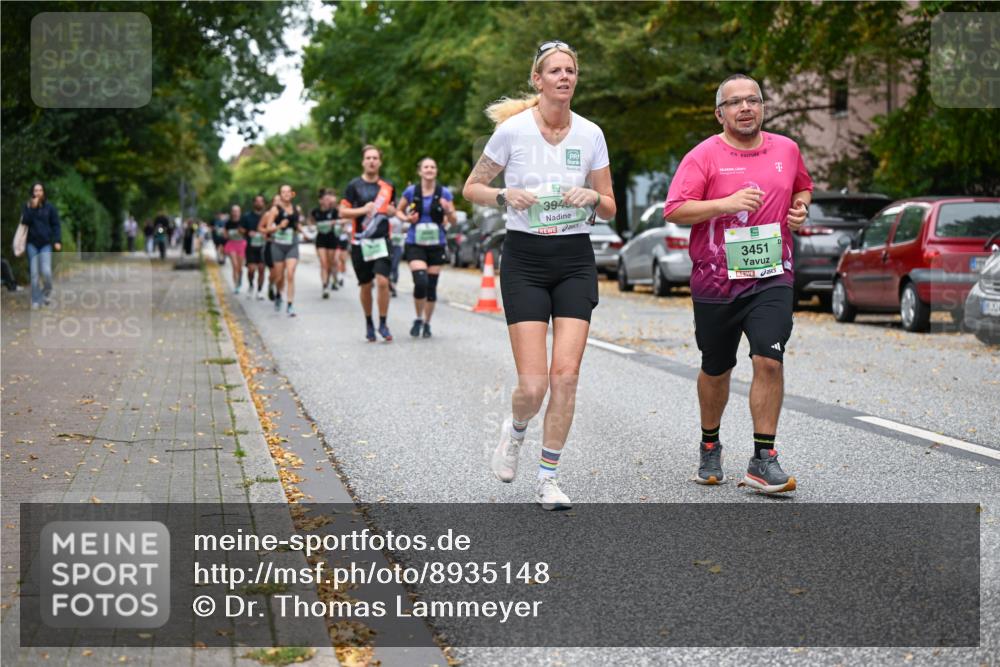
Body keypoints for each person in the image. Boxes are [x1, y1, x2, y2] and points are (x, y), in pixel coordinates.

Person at [462, 41, 615, 510]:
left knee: (565, 376)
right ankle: (516, 430)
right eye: (555, 71)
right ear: (537, 79)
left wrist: (592, 199)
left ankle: (548, 477)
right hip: (525, 259)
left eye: (571, 71)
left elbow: (610, 207)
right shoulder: (511, 133)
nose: (565, 78)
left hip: (574, 259)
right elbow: (472, 188)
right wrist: (505, 196)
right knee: (534, 385)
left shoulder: (591, 134)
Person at [663, 73, 813, 494]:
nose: (746, 108)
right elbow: (675, 210)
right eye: (735, 103)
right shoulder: (703, 156)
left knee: (769, 359)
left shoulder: (786, 149)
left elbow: (803, 188)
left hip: (772, 275)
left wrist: (800, 209)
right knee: (717, 367)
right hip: (716, 281)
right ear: (720, 113)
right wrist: (724, 205)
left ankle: (763, 458)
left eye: (753, 100)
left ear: (763, 107)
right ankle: (710, 444)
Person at [340, 145, 397, 342]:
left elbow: (392, 209)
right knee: (365, 285)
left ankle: (383, 322)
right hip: (360, 242)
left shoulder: (388, 186)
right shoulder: (353, 185)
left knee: (382, 282)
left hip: (382, 241)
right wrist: (362, 210)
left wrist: (392, 211)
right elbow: (343, 212)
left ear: (380, 162)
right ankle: (369, 323)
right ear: (363, 162)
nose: (372, 161)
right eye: (368, 158)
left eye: (375, 158)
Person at [396, 157, 458, 338]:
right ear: (420, 171)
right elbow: (399, 211)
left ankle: (427, 322)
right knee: (421, 282)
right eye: (426, 167)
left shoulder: (444, 193)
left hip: (436, 244)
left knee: (431, 286)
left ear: (436, 171)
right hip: (415, 242)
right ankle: (417, 317)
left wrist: (448, 211)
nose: (429, 169)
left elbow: (453, 221)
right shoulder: (411, 191)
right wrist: (407, 219)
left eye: (433, 166)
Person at [259, 185, 302, 317]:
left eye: (288, 191)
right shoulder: (274, 210)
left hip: (292, 244)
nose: (286, 194)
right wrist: (278, 226)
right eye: (283, 192)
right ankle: (278, 294)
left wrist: (301, 229)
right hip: (277, 245)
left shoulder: (296, 209)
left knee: (290, 273)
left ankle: (290, 304)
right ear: (280, 194)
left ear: (292, 194)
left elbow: (296, 224)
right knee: (279, 276)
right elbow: (266, 229)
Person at [21, 182, 62, 310]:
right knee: (34, 274)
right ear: (32, 192)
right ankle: (36, 299)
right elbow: (24, 222)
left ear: (43, 192)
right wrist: (32, 208)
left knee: (47, 272)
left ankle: (46, 294)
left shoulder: (50, 208)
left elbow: (56, 225)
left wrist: (57, 240)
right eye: (35, 190)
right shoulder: (27, 206)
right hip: (31, 244)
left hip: (45, 244)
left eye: (40, 190)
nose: (38, 193)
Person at [309, 188, 343, 299]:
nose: (327, 201)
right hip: (321, 239)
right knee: (323, 263)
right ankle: (324, 286)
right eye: (325, 199)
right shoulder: (316, 211)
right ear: (321, 201)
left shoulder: (334, 211)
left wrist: (335, 222)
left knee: (330, 263)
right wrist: (311, 226)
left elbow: (344, 220)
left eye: (329, 199)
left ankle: (330, 281)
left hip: (332, 238)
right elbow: (310, 221)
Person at [242, 194, 267, 300]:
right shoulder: (247, 216)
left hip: (262, 246)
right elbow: (240, 229)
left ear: (264, 203)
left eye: (261, 201)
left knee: (261, 269)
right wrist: (248, 232)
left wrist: (265, 233)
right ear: (254, 203)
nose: (259, 203)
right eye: (257, 201)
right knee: (251, 270)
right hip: (251, 247)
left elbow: (271, 228)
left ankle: (260, 290)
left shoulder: (267, 216)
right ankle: (251, 285)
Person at [223, 205, 247, 293]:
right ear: (231, 212)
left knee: (240, 267)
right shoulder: (228, 222)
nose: (235, 213)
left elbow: (246, 232)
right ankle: (236, 285)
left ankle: (240, 278)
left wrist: (241, 231)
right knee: (235, 265)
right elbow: (225, 234)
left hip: (241, 244)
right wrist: (227, 234)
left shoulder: (243, 221)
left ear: (240, 212)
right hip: (232, 244)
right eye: (234, 211)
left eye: (237, 211)